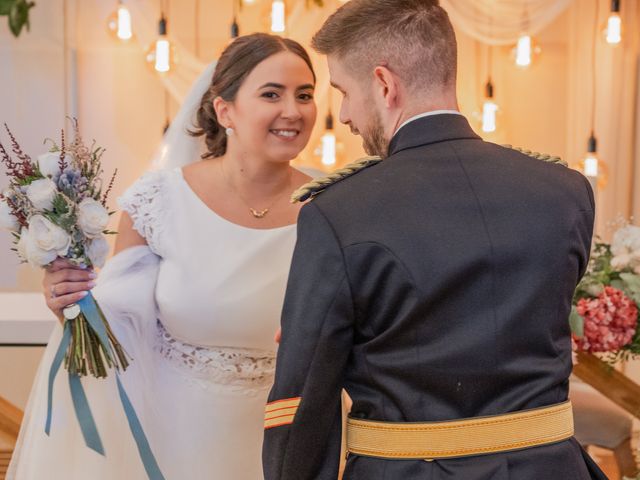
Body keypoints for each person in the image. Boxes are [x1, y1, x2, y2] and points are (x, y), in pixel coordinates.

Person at [262, 1, 607, 479]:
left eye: (343, 91)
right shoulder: (566, 192)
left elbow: (305, 398)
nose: (343, 115)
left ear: (384, 84)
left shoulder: (338, 212)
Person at [9, 32, 317, 480]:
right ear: (224, 109)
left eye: (305, 95)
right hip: (173, 444)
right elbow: (121, 326)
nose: (293, 111)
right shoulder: (158, 202)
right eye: (272, 94)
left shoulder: (334, 204)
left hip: (293, 440)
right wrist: (73, 304)